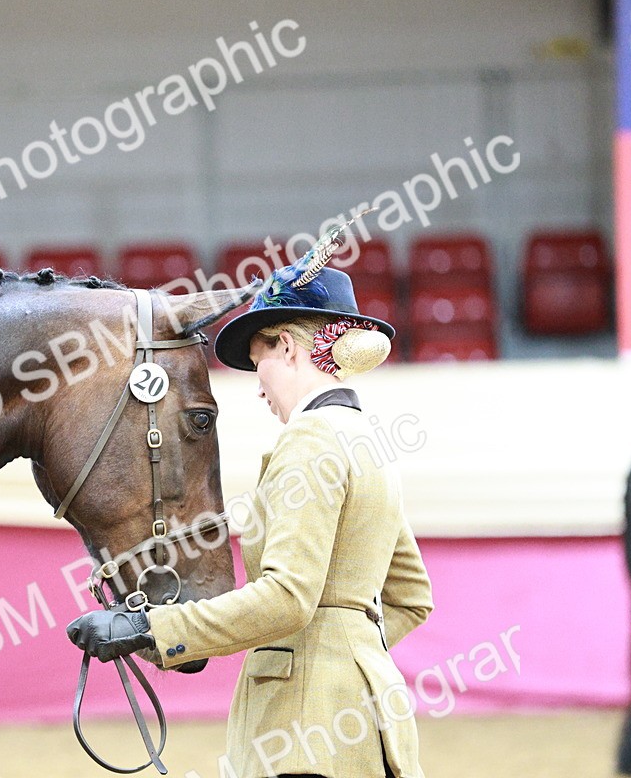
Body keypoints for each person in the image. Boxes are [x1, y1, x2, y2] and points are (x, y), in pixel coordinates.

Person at [66, 239, 434, 778]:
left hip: (304, 735)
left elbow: (288, 597)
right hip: (365, 723)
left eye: (258, 359)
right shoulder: (365, 440)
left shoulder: (310, 439)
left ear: (287, 347)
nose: (256, 383)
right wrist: (350, 660)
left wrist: (147, 627)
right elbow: (411, 597)